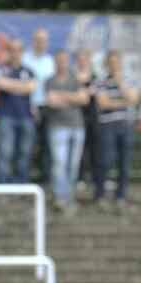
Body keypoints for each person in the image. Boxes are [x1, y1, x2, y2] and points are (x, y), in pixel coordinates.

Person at [94, 50, 141, 211]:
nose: (114, 66)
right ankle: (101, 195)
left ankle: (121, 196)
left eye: (116, 62)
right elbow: (103, 103)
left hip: (125, 125)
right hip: (107, 125)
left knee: (124, 163)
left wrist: (120, 84)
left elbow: (133, 99)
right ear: (106, 64)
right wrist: (124, 102)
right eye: (111, 63)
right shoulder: (101, 82)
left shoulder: (129, 80)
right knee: (105, 161)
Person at [45, 51, 89, 213]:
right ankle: (59, 197)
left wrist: (62, 96)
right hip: (57, 127)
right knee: (59, 165)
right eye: (59, 60)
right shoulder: (50, 80)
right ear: (55, 62)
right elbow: (51, 101)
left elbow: (84, 99)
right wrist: (73, 98)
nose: (62, 63)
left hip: (77, 127)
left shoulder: (75, 78)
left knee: (73, 166)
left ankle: (69, 197)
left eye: (65, 60)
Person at [0, 39, 36, 184]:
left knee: (24, 154)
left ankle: (21, 187)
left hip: (26, 117)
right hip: (6, 117)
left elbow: (31, 88)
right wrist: (21, 86)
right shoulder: (0, 68)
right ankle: (2, 188)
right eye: (12, 50)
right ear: (8, 52)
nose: (15, 53)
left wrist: (10, 85)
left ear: (22, 52)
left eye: (18, 50)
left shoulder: (28, 70)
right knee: (5, 153)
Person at [22, 28, 54, 185]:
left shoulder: (50, 61)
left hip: (48, 109)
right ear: (33, 41)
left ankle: (45, 182)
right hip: (28, 108)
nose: (41, 43)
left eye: (44, 40)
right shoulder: (25, 59)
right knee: (27, 147)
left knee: (48, 146)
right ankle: (25, 182)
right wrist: (30, 104)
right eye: (38, 40)